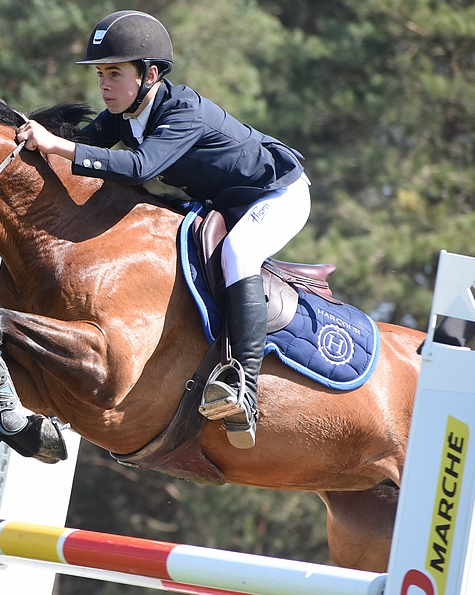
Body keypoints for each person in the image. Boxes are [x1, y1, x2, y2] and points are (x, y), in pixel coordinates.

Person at [16, 10, 311, 449]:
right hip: (226, 201)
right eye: (100, 74)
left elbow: (139, 166)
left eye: (115, 73)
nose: (104, 85)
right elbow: (86, 151)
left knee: (238, 254)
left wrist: (57, 143)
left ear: (150, 73)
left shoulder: (182, 111)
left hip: (276, 195)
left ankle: (242, 387)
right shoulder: (123, 114)